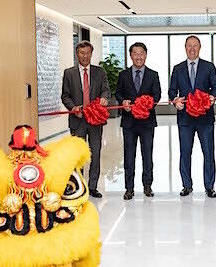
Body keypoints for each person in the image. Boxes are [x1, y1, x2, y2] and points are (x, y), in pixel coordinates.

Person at [168, 35, 216, 198]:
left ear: (200, 47)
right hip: (185, 118)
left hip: (205, 118)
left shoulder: (209, 67)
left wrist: (212, 98)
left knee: (208, 152)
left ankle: (209, 186)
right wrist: (175, 101)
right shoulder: (177, 68)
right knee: (185, 152)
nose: (192, 49)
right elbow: (171, 91)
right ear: (185, 48)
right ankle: (186, 185)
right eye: (189, 46)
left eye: (195, 46)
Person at [61, 40, 110, 198]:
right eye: (82, 53)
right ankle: (79, 186)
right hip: (78, 120)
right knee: (78, 155)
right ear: (77, 54)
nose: (85, 56)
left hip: (95, 120)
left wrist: (104, 98)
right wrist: (73, 107)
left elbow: (106, 90)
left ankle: (93, 186)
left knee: (95, 153)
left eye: (88, 53)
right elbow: (65, 96)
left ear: (91, 54)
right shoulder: (69, 73)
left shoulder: (100, 72)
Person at [115, 42, 161, 200]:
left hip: (147, 122)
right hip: (129, 122)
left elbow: (157, 95)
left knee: (147, 155)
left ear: (146, 55)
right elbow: (118, 93)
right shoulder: (123, 75)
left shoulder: (153, 75)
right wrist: (124, 102)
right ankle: (129, 188)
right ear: (131, 56)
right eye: (135, 53)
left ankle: (147, 186)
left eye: (141, 53)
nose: (139, 56)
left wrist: (147, 103)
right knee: (129, 155)